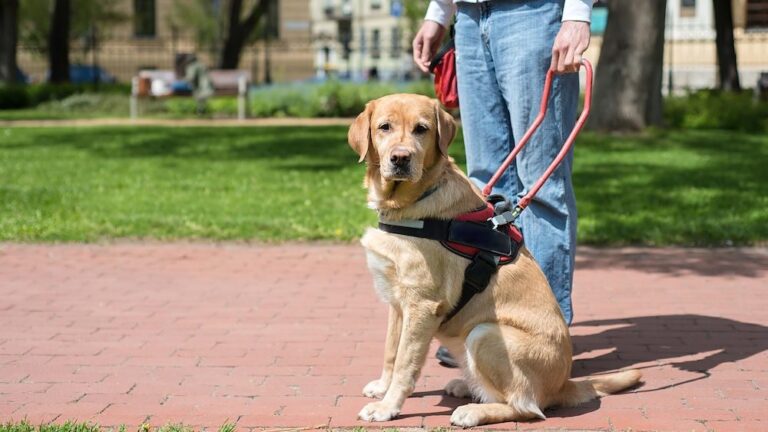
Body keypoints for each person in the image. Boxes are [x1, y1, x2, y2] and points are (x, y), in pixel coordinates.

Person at [412, 0, 592, 367]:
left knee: (541, 188)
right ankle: (488, 324)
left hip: (532, 15)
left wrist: (577, 14)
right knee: (484, 188)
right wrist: (439, 14)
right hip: (468, 20)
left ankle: (545, 340)